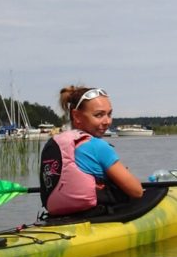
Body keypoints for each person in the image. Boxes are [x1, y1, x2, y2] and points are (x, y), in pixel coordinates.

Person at [39, 86, 143, 216]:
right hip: (95, 215)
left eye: (109, 114)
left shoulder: (57, 143)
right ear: (76, 115)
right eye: (99, 115)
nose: (107, 121)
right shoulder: (98, 146)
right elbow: (137, 191)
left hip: (59, 216)